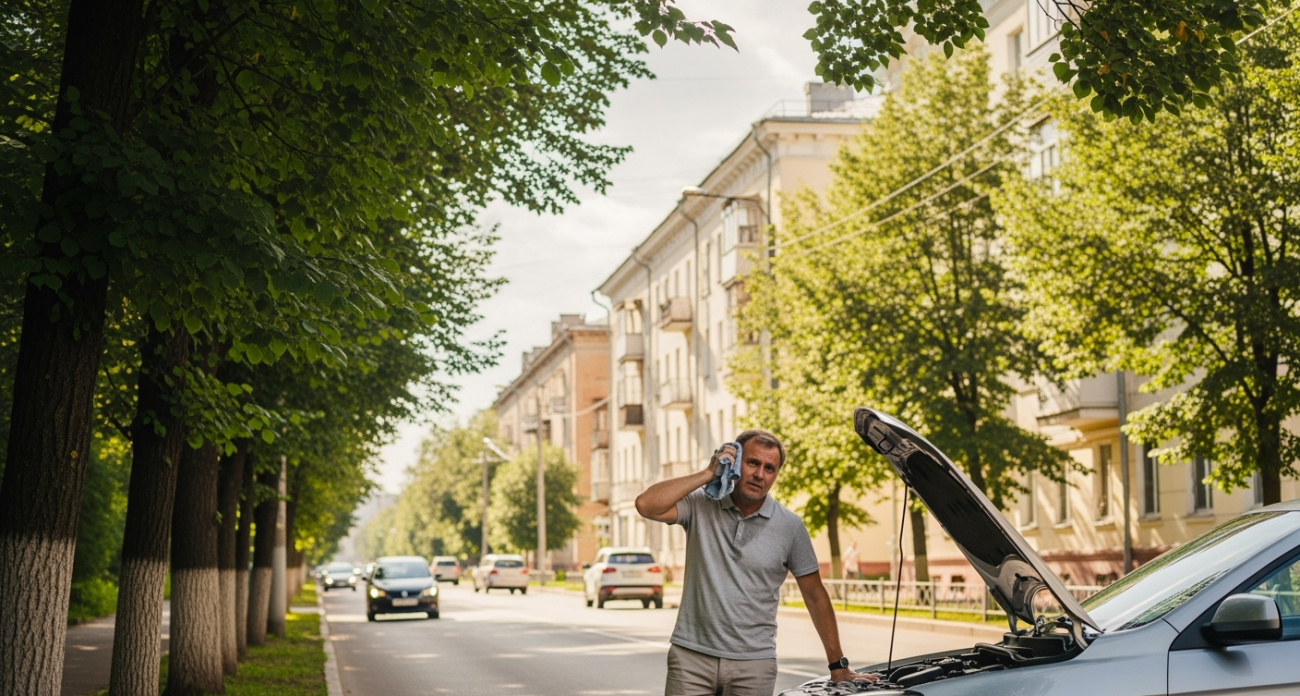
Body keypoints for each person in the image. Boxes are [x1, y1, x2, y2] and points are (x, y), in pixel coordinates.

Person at [635, 429, 877, 696]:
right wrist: (708, 473)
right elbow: (646, 505)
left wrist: (838, 664)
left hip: (754, 665)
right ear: (735, 462)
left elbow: (815, 595)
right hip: (691, 658)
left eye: (769, 468)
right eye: (752, 463)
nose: (760, 474)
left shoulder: (790, 526)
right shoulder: (702, 504)